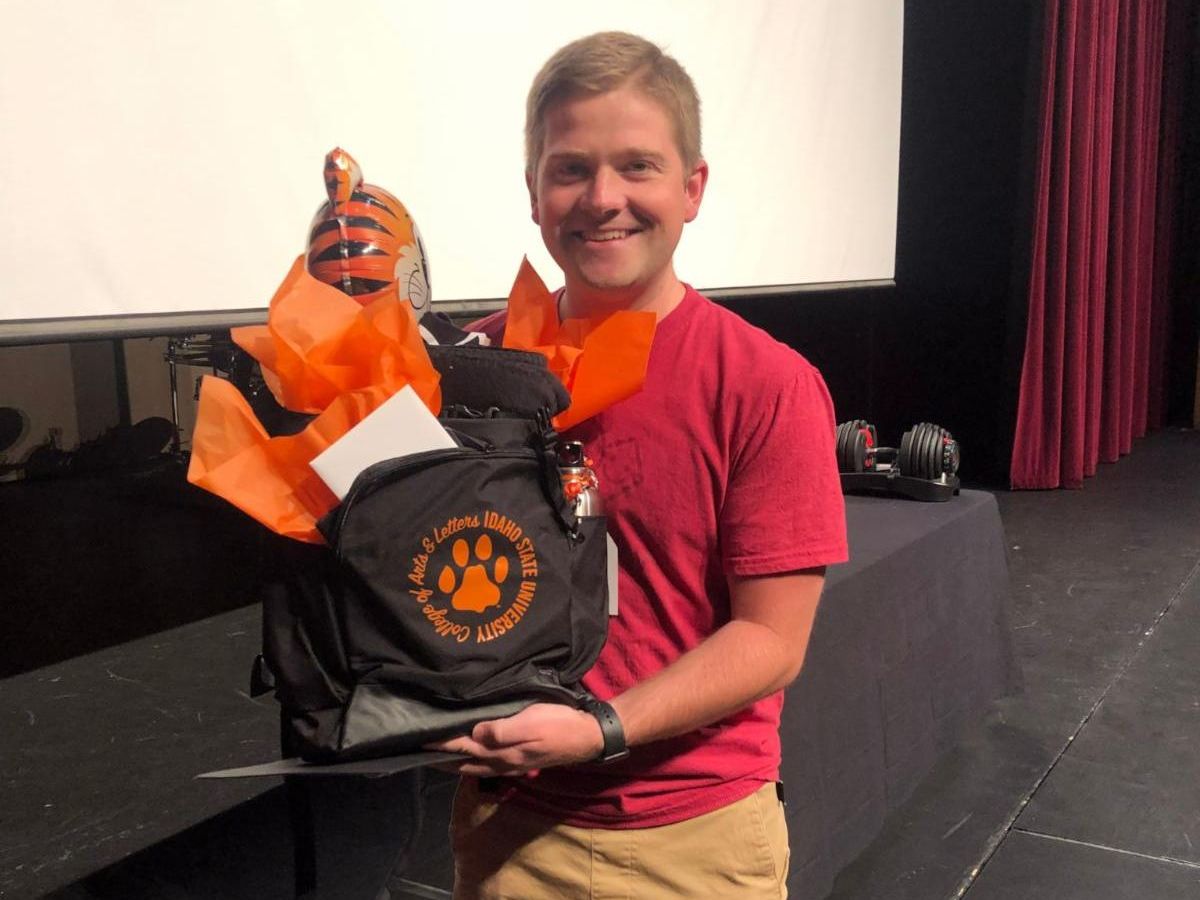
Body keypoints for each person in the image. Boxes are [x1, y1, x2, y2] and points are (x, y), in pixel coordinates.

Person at [431, 31, 848, 899]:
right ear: (534, 192)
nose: (602, 198)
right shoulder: (472, 367)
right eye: (571, 169)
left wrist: (600, 728)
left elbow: (772, 641)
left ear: (692, 188)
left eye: (637, 166)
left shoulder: (766, 383)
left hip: (695, 840)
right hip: (508, 827)